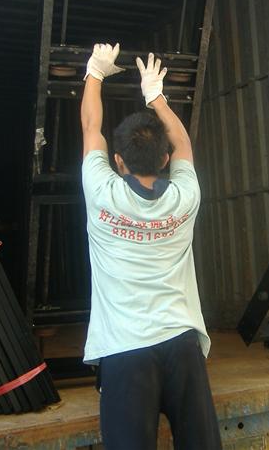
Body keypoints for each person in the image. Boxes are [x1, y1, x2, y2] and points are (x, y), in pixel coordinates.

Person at [79, 43, 222, 449]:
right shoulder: (185, 197)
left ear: (118, 161)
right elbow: (184, 145)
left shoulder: (102, 193)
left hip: (125, 352)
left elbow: (91, 128)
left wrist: (95, 73)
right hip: (182, 347)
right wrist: (156, 97)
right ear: (164, 160)